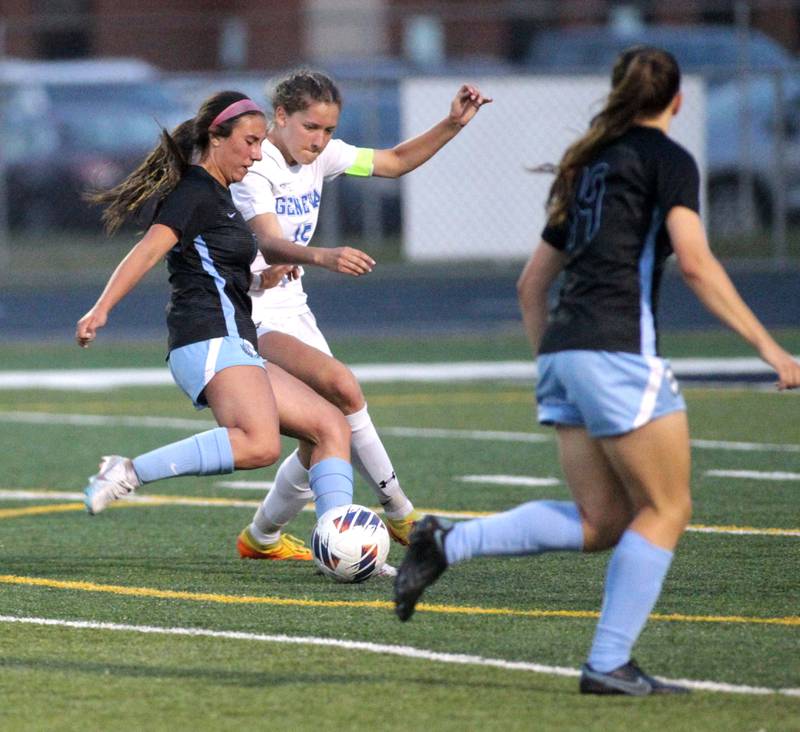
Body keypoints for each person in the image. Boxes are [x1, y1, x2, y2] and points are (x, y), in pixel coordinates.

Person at [393, 46, 800, 696]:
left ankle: (446, 542)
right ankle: (608, 662)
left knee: (600, 522)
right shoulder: (667, 160)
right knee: (668, 507)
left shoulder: (586, 167)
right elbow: (695, 263)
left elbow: (533, 285)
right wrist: (771, 350)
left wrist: (553, 368)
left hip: (563, 350)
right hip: (617, 350)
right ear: (678, 101)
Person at [76, 91, 360, 548]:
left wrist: (262, 279)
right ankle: (126, 472)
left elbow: (215, 272)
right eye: (249, 142)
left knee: (330, 426)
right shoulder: (195, 192)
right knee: (260, 445)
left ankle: (339, 542)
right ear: (216, 137)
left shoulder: (220, 197)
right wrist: (101, 308)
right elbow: (149, 250)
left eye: (259, 143)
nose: (256, 152)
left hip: (233, 337)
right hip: (208, 336)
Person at [229, 70, 492, 561]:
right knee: (343, 388)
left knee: (321, 435)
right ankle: (401, 514)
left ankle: (260, 538)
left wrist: (452, 124)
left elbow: (393, 161)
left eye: (328, 130)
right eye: (311, 127)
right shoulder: (256, 163)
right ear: (279, 117)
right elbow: (267, 239)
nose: (321, 140)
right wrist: (322, 256)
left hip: (292, 306)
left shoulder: (320, 153)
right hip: (249, 308)